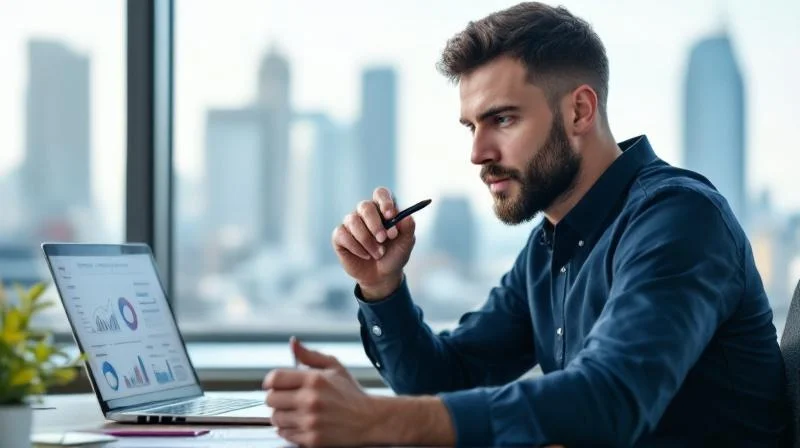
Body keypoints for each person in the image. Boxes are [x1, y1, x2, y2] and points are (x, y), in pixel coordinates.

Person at [262, 2, 789, 446]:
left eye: (503, 119)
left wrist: (377, 421)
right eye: (471, 126)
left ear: (580, 111)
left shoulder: (679, 219)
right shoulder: (549, 246)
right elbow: (444, 382)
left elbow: (609, 398)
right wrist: (382, 286)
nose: (477, 153)